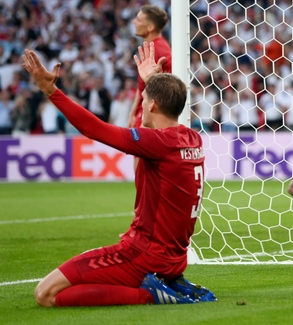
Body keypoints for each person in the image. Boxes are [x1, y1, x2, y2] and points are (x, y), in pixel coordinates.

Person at [24, 43, 216, 306]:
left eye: (145, 101)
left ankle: (152, 294)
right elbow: (165, 108)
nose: (141, 108)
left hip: (142, 255)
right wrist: (152, 81)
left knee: (46, 294)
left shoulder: (157, 143)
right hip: (173, 258)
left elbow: (94, 128)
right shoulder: (192, 138)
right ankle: (165, 282)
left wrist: (51, 90)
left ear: (152, 104)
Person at [128, 5, 172, 129]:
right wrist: (133, 113)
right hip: (141, 115)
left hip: (148, 119)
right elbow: (142, 85)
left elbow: (160, 93)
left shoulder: (159, 51)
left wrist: (145, 124)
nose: (134, 22)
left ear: (150, 27)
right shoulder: (151, 48)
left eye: (139, 20)